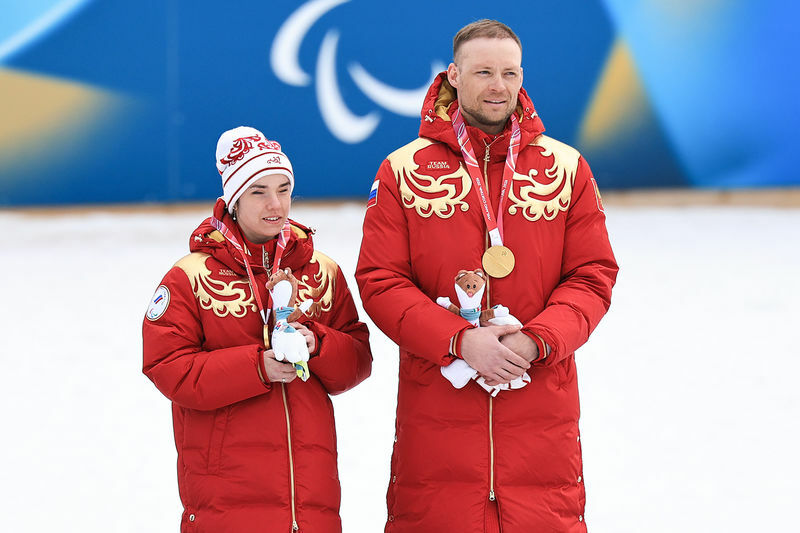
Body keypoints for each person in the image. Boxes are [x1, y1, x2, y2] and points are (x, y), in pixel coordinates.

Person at [356, 20, 618, 533]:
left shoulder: (567, 168)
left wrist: (538, 341)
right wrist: (458, 341)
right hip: (439, 417)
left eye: (509, 72)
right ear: (453, 75)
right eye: (483, 72)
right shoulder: (401, 171)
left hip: (541, 414)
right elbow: (380, 281)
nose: (499, 85)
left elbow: (593, 274)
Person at [143, 126, 372, 533]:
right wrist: (257, 368)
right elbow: (167, 367)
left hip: (311, 502)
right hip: (225, 503)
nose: (276, 204)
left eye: (284, 189)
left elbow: (357, 359)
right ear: (232, 200)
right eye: (259, 192)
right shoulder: (189, 278)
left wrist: (317, 343)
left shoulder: (322, 270)